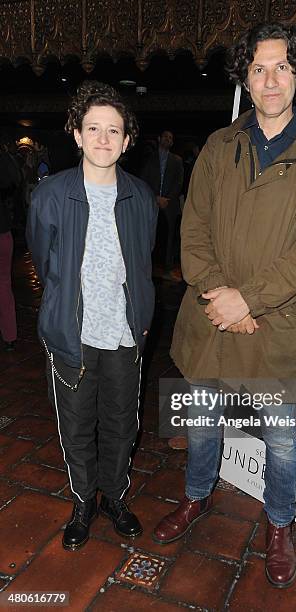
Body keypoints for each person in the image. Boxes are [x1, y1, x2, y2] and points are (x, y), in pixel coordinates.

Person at [152, 23, 296, 588]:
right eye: (258, 68)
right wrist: (221, 296)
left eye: (282, 67)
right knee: (205, 421)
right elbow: (194, 230)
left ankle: (280, 524)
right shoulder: (219, 146)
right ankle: (195, 498)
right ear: (245, 76)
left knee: (282, 437)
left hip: (277, 323)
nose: (270, 79)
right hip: (214, 318)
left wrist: (250, 300)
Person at [26, 81, 157, 551]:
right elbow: (43, 262)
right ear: (77, 135)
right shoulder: (50, 196)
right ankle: (83, 502)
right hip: (72, 336)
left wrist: (141, 315)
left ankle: (114, 499)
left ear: (126, 140)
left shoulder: (141, 197)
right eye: (93, 128)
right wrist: (62, 311)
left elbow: (144, 263)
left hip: (124, 335)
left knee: (123, 425)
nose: (103, 138)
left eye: (113, 130)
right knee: (77, 425)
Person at [140, 130, 184, 278]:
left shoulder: (177, 160)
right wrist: (154, 198)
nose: (168, 139)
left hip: (169, 204)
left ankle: (167, 267)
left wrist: (167, 199)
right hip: (151, 203)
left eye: (171, 138)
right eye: (165, 136)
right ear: (159, 138)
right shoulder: (148, 158)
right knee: (149, 235)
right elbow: (142, 180)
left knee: (169, 236)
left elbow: (179, 182)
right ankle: (147, 267)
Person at [0, 146, 19, 351]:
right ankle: (10, 336)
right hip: (3, 231)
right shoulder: (4, 160)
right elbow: (14, 179)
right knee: (4, 285)